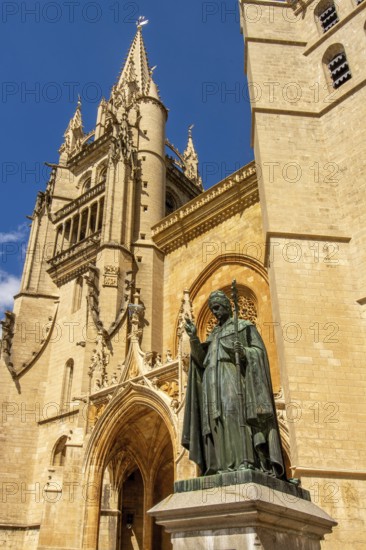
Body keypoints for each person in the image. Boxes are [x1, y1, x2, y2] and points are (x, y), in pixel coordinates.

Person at [182, 289, 284, 477]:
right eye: (213, 309)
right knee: (214, 422)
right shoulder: (214, 334)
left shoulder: (244, 326)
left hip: (232, 379)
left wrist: (245, 352)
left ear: (228, 306)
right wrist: (194, 338)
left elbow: (259, 352)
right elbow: (201, 360)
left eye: (218, 307)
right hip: (211, 384)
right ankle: (221, 467)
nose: (216, 312)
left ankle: (245, 462)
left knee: (234, 417)